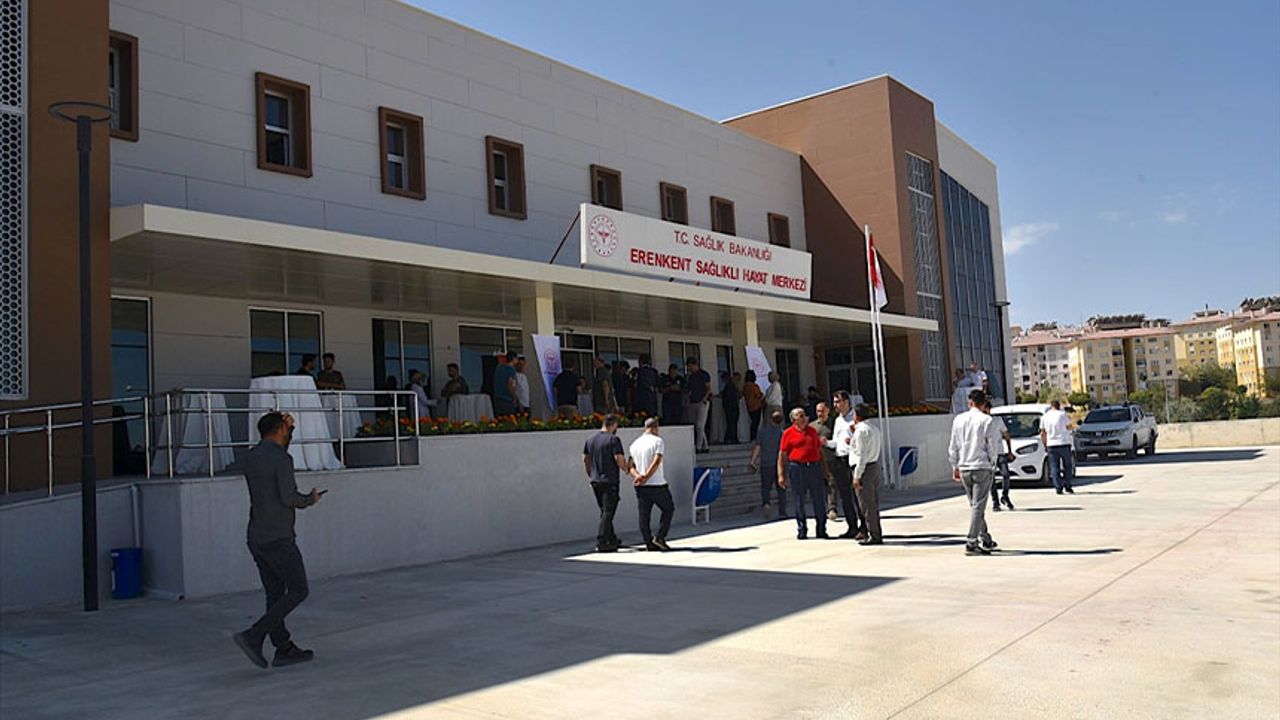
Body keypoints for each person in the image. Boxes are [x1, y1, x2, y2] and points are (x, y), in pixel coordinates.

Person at [233, 411, 322, 669]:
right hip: (279, 537)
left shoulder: (251, 457)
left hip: (257, 536)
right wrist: (310, 499)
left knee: (275, 594)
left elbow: (274, 460)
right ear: (281, 429)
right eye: (287, 428)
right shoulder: (282, 458)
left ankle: (283, 648)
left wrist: (286, 428)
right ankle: (254, 635)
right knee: (298, 590)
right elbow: (289, 497)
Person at [948, 389, 1004, 556]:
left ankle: (985, 538)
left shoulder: (958, 420)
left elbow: (953, 445)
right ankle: (971, 541)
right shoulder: (987, 420)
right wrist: (993, 463)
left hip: (964, 466)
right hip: (981, 465)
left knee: (975, 506)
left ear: (970, 403)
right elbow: (992, 445)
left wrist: (954, 465)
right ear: (984, 403)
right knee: (978, 506)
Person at [777, 407, 831, 540]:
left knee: (819, 499)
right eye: (800, 416)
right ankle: (802, 529)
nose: (804, 418)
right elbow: (782, 455)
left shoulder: (812, 431)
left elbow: (820, 452)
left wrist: (825, 470)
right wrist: (781, 474)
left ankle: (821, 528)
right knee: (799, 500)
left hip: (814, 468)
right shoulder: (788, 433)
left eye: (804, 415)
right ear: (793, 420)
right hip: (797, 468)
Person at [582, 414, 629, 553]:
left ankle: (611, 538)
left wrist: (591, 474)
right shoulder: (614, 439)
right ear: (613, 425)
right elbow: (618, 458)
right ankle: (602, 541)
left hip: (596, 481)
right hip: (610, 480)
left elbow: (585, 459)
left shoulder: (590, 440)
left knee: (604, 511)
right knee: (608, 511)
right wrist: (626, 469)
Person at [628, 417, 673, 551]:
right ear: (655, 427)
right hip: (657, 483)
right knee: (668, 509)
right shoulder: (658, 441)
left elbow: (630, 465)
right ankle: (660, 536)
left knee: (644, 514)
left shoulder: (635, 444)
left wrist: (638, 476)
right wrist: (647, 476)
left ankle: (648, 542)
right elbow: (657, 461)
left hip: (640, 485)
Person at [829, 391, 868, 540]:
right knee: (845, 496)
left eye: (838, 402)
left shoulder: (855, 418)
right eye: (834, 402)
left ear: (846, 402)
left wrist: (852, 442)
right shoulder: (838, 420)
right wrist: (827, 443)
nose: (835, 405)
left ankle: (864, 527)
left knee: (857, 495)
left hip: (852, 459)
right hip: (839, 458)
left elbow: (861, 439)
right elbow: (836, 441)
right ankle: (852, 527)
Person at [849, 403, 884, 546]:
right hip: (874, 465)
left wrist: (857, 475)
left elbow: (861, 455)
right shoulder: (873, 428)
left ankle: (874, 535)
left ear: (857, 416)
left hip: (865, 469)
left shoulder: (861, 431)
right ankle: (875, 532)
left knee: (867, 504)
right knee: (873, 503)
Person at [749, 410, 787, 519]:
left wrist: (753, 460)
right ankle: (782, 512)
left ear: (770, 420)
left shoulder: (762, 432)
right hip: (780, 464)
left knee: (765, 487)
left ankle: (766, 503)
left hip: (766, 463)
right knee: (781, 488)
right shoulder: (783, 433)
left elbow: (758, 447)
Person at [982, 399, 1016, 511]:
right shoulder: (979, 422)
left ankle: (1005, 495)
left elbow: (1006, 435)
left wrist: (1009, 451)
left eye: (986, 409)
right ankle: (995, 501)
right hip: (987, 454)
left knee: (1006, 474)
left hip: (1000, 452)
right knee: (991, 479)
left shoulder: (997, 420)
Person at [1040, 399, 1074, 495]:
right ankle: (1068, 485)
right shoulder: (1062, 415)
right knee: (1067, 465)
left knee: (1054, 466)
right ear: (1058, 406)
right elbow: (1069, 426)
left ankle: (1058, 487)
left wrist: (1045, 444)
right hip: (1063, 442)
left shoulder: (1045, 416)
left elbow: (1043, 432)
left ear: (1051, 406)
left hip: (1051, 444)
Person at [812, 402, 839, 522]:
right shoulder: (812, 426)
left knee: (831, 484)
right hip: (816, 460)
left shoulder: (834, 424)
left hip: (830, 458)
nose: (820, 413)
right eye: (818, 411)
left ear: (828, 411)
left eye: (822, 411)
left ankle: (832, 508)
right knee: (819, 485)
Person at [686, 358, 712, 453]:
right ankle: (705, 446)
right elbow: (689, 390)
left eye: (689, 366)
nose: (689, 368)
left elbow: (708, 388)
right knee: (697, 425)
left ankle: (698, 446)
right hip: (693, 402)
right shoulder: (691, 377)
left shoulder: (704, 374)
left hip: (702, 402)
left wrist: (705, 398)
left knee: (700, 425)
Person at [492, 352, 518, 417]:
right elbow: (510, 385)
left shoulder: (499, 368)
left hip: (497, 399)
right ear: (514, 359)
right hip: (507, 400)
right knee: (509, 420)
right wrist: (514, 397)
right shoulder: (511, 369)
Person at [743, 370, 764, 442]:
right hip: (756, 405)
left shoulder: (745, 386)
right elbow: (758, 395)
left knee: (752, 422)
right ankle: (754, 437)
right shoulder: (754, 386)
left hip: (749, 406)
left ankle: (752, 437)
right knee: (756, 422)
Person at [721, 371, 741, 444]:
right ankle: (732, 438)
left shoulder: (729, 386)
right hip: (732, 407)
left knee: (731, 423)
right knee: (732, 423)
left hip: (730, 407)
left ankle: (729, 438)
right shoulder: (731, 386)